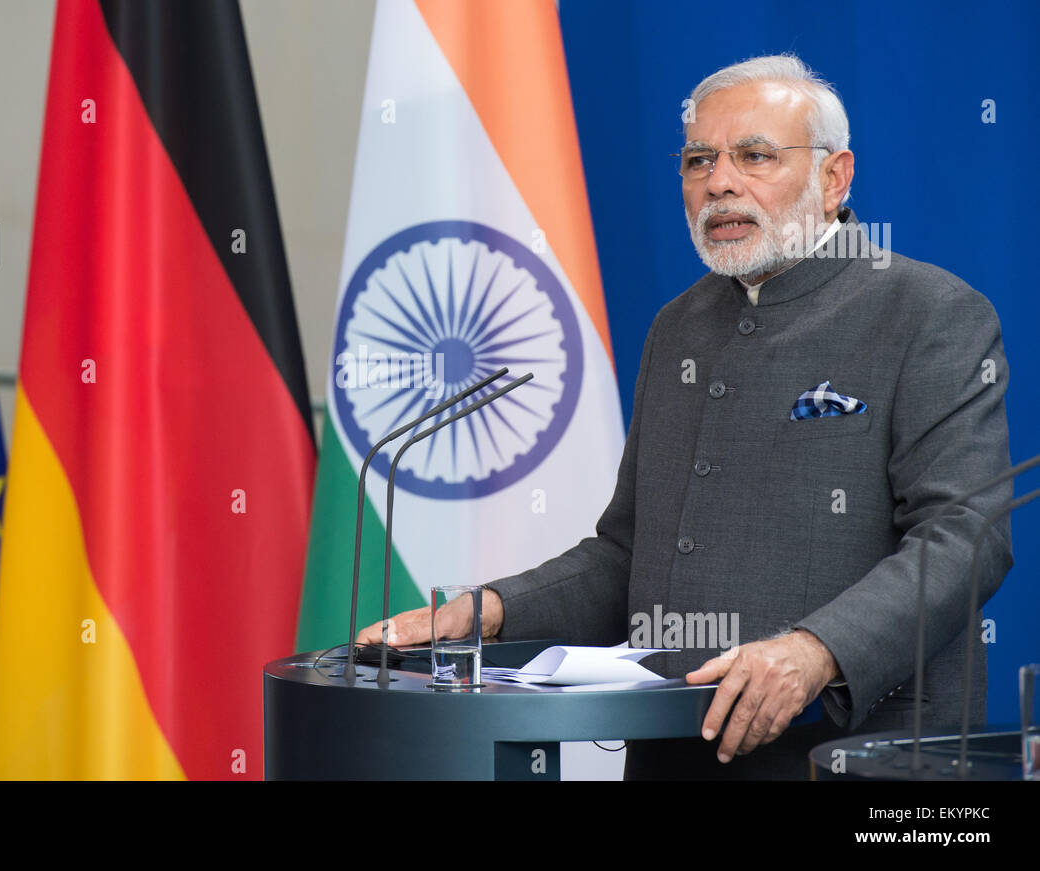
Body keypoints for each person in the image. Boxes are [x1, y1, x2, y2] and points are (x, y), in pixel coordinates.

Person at [357, 54, 1013, 780]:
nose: (719, 182)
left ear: (835, 178)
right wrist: (490, 611)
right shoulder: (679, 327)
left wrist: (813, 650)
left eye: (755, 156)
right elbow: (628, 555)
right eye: (699, 159)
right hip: (675, 752)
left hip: (859, 757)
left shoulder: (928, 312)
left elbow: (966, 537)